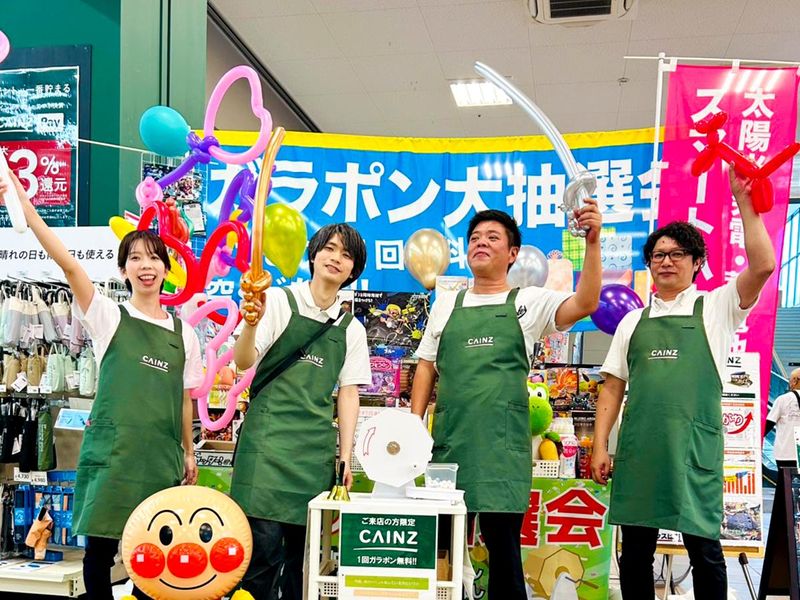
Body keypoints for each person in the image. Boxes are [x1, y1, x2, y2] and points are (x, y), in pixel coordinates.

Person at [3, 173, 203, 599]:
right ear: (122, 270)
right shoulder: (109, 316)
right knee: (100, 552)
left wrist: (188, 451)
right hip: (114, 456)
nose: (146, 266)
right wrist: (26, 207)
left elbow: (185, 398)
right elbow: (70, 265)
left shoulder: (184, 333)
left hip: (160, 458)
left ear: (167, 268)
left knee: (155, 552)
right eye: (136, 258)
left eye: (154, 258)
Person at [591, 167, 776, 600]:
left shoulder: (716, 307)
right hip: (640, 452)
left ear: (697, 264)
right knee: (635, 553)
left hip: (693, 451)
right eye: (658, 255)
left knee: (705, 551)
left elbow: (765, 265)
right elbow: (612, 387)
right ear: (649, 264)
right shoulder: (632, 321)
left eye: (678, 254)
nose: (667, 261)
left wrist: (745, 204)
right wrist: (600, 445)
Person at [411, 203, 603, 600]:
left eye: (492, 237)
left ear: (513, 253)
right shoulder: (446, 303)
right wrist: (413, 426)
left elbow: (585, 303)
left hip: (502, 448)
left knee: (503, 551)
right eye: (475, 238)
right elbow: (426, 366)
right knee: (443, 550)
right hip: (450, 443)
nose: (480, 243)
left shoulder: (529, 301)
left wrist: (592, 242)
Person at [231, 223, 371, 600]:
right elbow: (243, 361)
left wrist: (345, 457)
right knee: (260, 555)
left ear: (354, 270)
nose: (336, 258)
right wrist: (250, 324)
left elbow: (348, 394)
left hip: (312, 452)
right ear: (313, 254)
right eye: (329, 248)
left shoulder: (351, 329)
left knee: (301, 560)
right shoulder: (278, 301)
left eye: (346, 255)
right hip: (266, 446)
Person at [765, 367, 800, 470]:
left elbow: (768, 424)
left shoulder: (783, 400)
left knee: (785, 480)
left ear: (795, 381)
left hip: (786, 454)